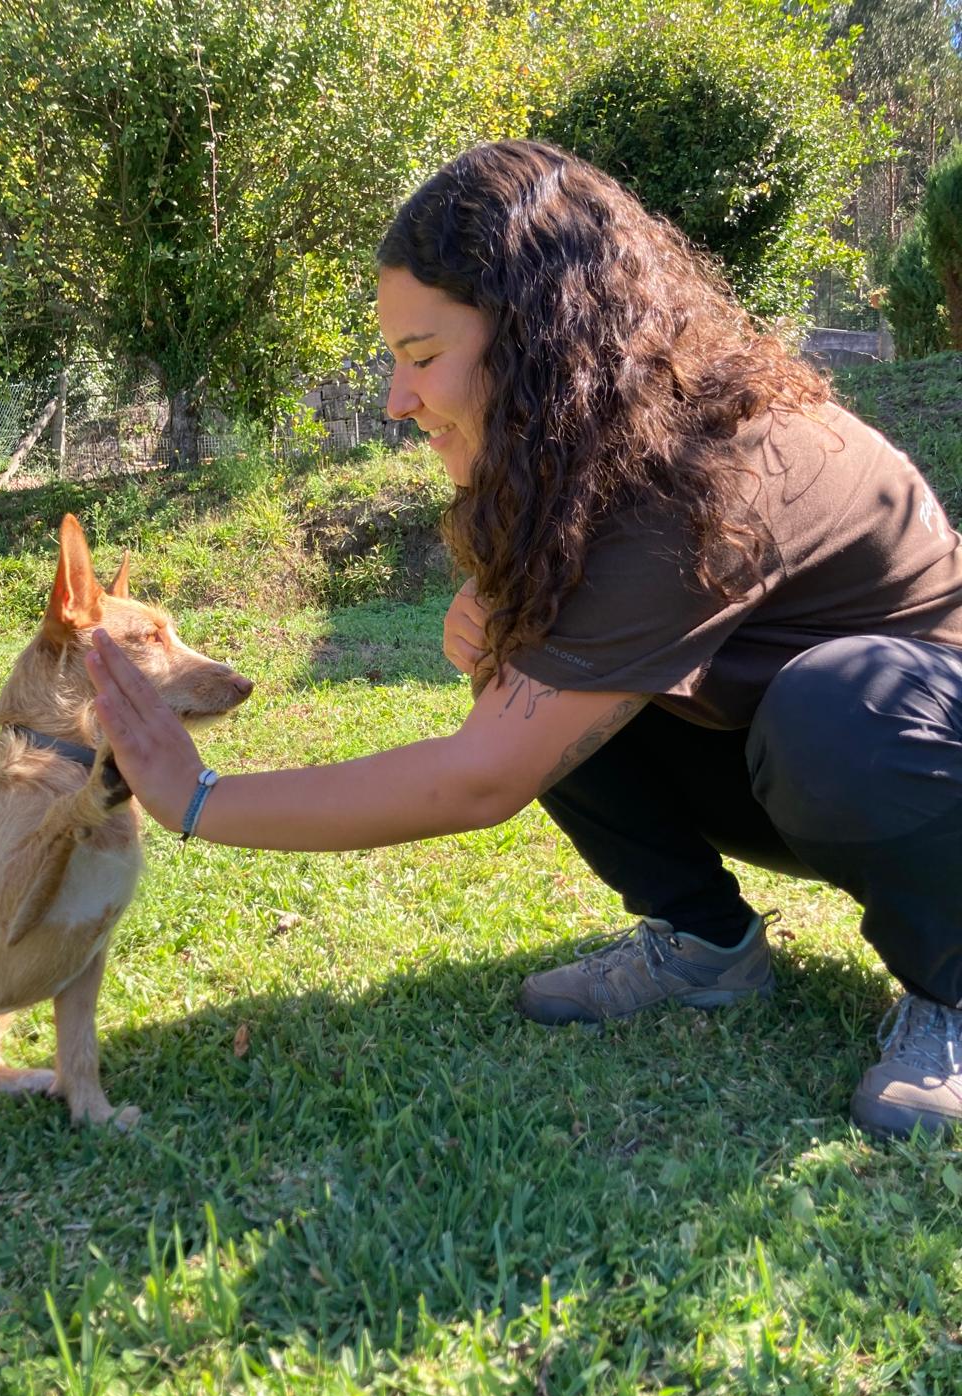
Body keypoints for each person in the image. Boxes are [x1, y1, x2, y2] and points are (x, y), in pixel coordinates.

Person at [86, 140, 962, 1140]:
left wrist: (200, 800)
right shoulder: (596, 456)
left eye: (421, 358)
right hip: (801, 770)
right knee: (537, 673)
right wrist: (508, 631)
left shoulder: (708, 464)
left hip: (924, 776)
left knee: (831, 707)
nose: (396, 401)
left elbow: (481, 777)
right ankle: (705, 945)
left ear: (541, 340)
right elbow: (533, 692)